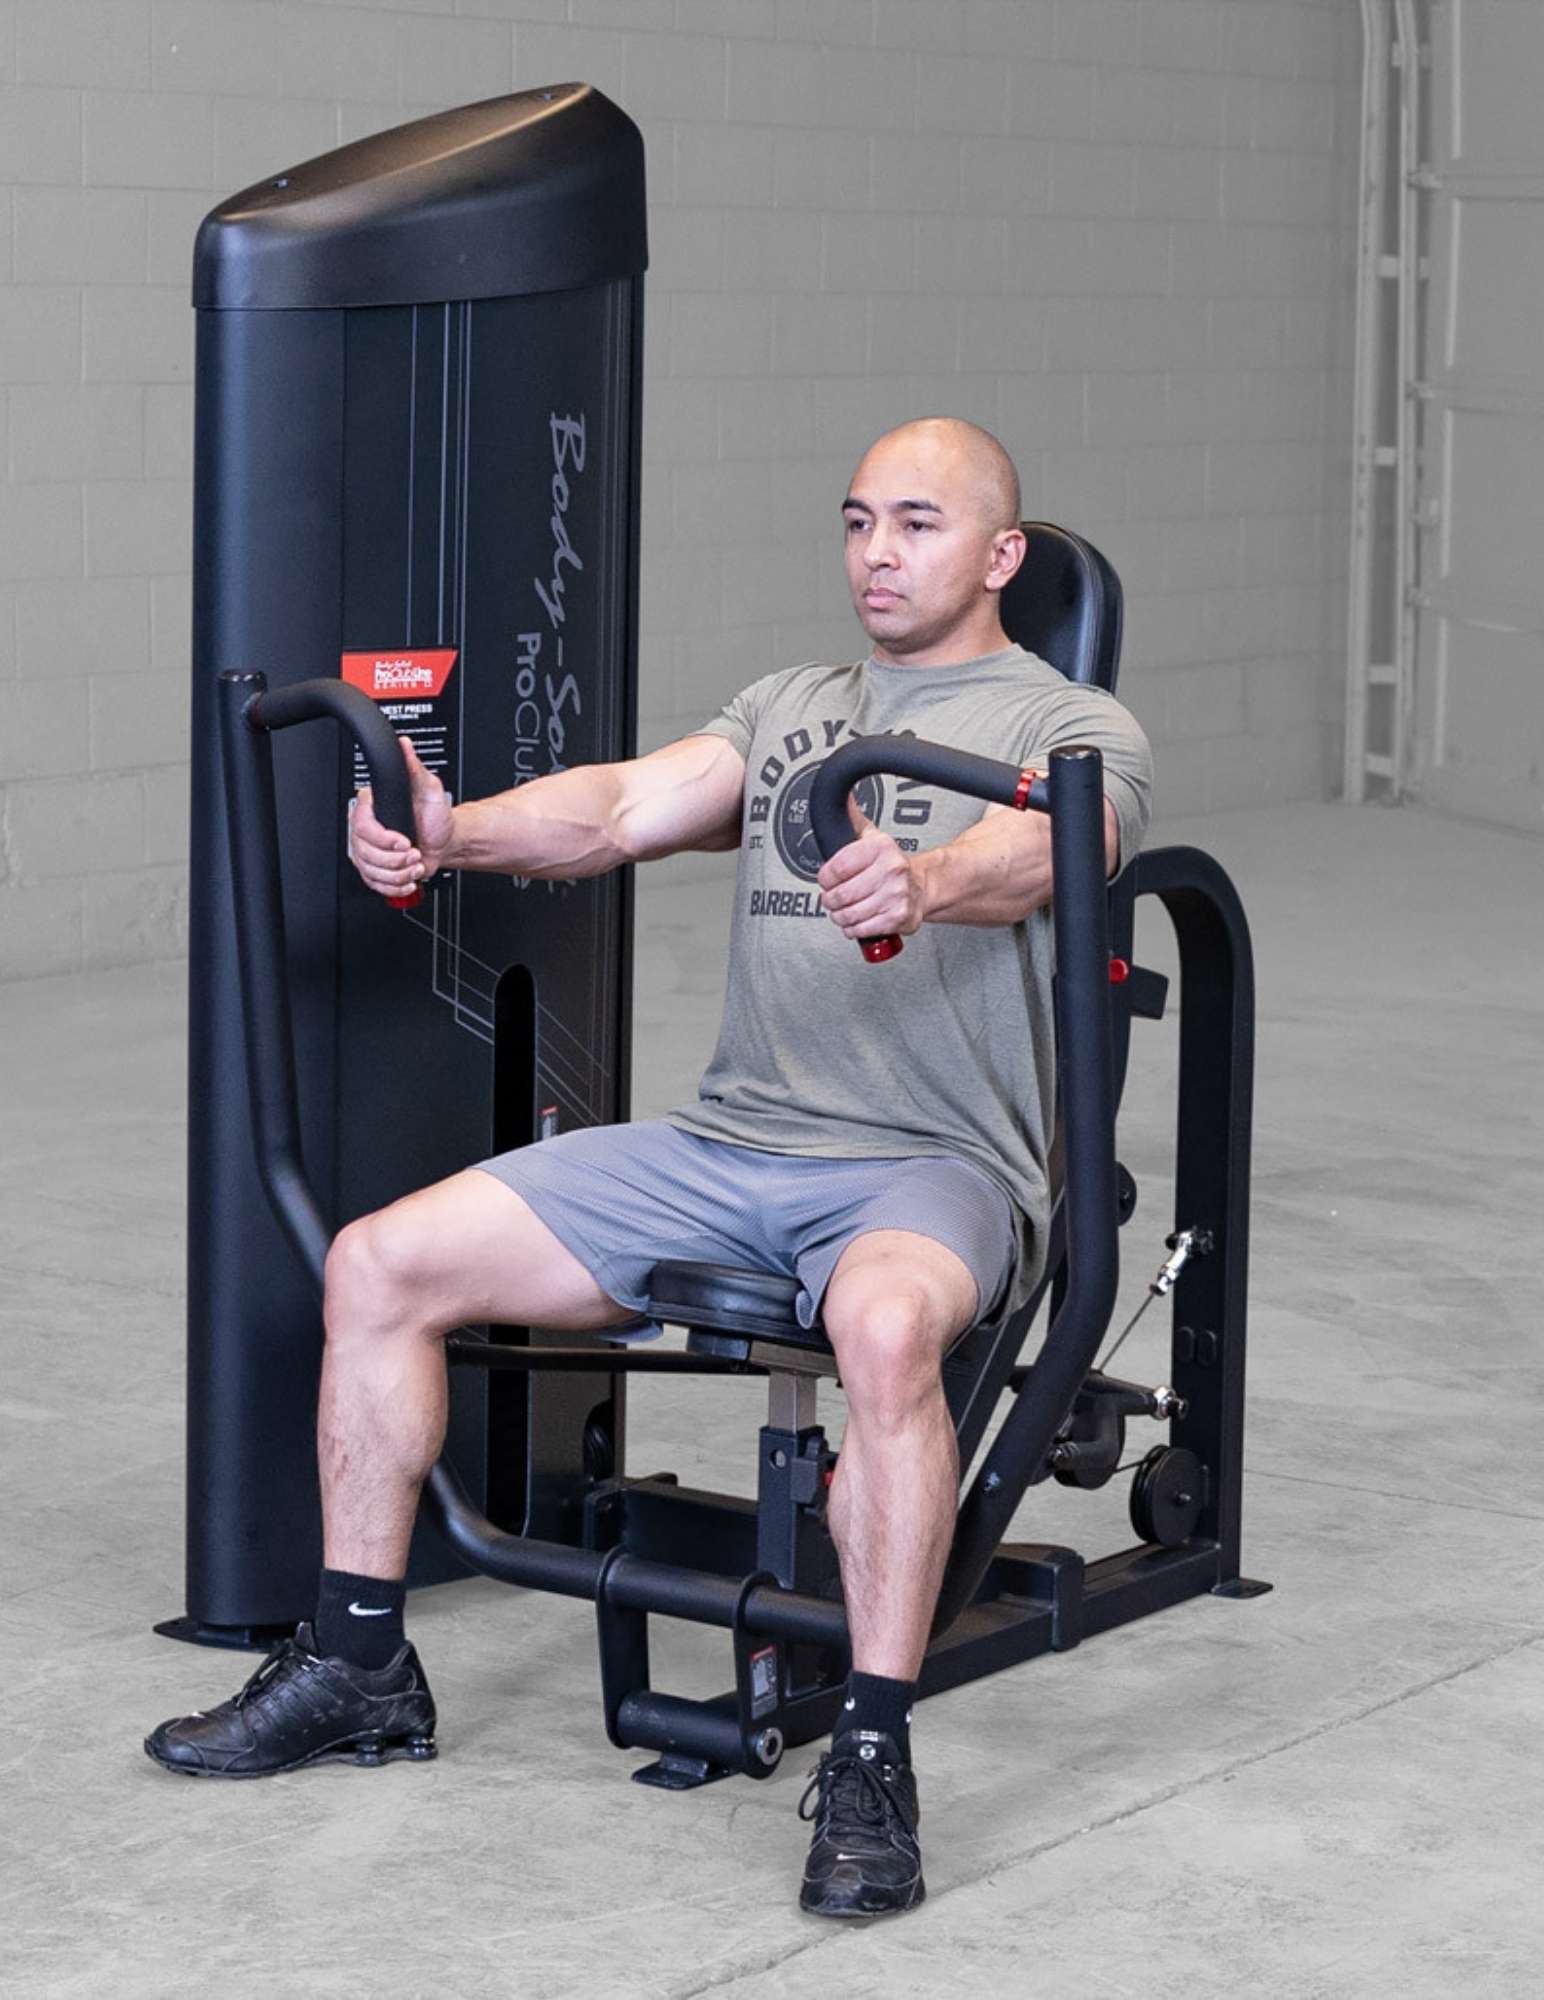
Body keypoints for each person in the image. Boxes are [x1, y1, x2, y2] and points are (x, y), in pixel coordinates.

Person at [145, 417, 1152, 1923]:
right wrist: (454, 827)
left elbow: (1076, 850)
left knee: (882, 1330)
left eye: (921, 525)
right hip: (727, 1146)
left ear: (1003, 556)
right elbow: (618, 806)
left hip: (929, 1170)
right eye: (861, 520)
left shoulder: (1069, 725)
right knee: (376, 1263)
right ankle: (360, 1659)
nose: (879, 552)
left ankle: (871, 1754)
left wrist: (931, 878)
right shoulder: (795, 706)